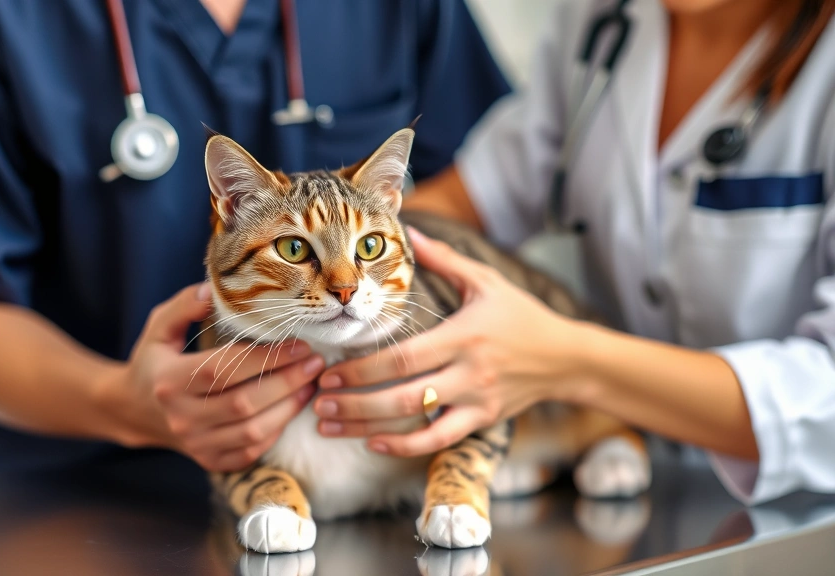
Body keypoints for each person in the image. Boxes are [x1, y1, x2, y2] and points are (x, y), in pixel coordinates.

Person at [0, 0, 510, 490]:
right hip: (75, 485)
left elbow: (485, 186)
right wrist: (122, 404)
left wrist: (396, 301)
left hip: (358, 474)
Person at [312, 0, 835, 505]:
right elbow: (465, 201)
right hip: (619, 482)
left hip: (802, 505)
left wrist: (567, 362)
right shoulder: (602, 21)